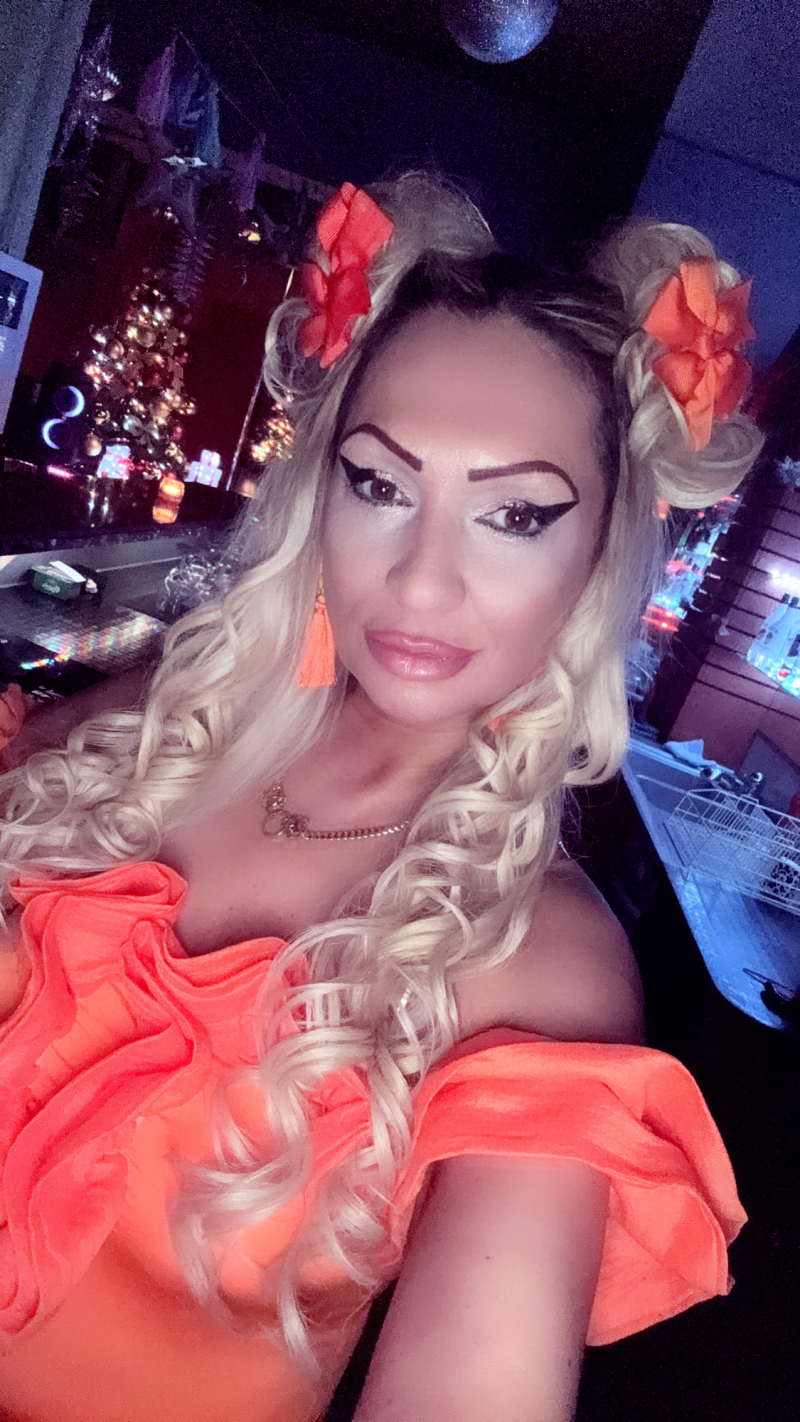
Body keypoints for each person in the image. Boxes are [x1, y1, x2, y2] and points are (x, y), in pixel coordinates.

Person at [0, 174, 760, 1422]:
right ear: (322, 493)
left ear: (594, 558)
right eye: (380, 485)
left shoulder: (542, 969)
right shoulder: (139, 732)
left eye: (514, 515)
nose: (420, 579)